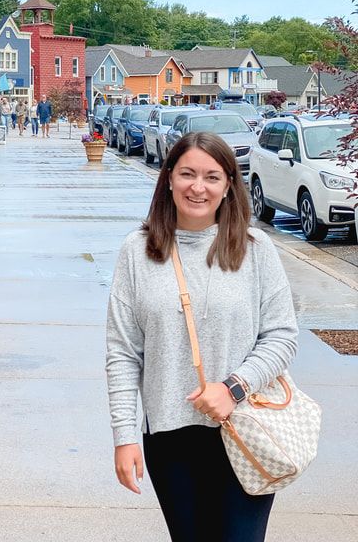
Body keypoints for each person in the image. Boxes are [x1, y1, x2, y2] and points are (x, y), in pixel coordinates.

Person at [105, 132, 298, 542]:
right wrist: (124, 437)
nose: (198, 187)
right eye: (187, 174)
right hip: (170, 438)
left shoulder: (255, 248)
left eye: (212, 176)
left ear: (229, 184)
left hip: (246, 429)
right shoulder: (136, 252)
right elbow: (123, 353)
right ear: (169, 178)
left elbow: (281, 336)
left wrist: (233, 387)